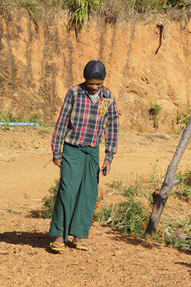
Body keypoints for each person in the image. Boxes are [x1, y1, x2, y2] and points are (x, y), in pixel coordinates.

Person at [49, 59, 119, 252]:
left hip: (93, 151)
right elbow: (62, 122)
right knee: (68, 190)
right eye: (91, 84)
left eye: (98, 84)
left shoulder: (108, 97)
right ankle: (58, 236)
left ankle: (79, 236)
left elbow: (112, 127)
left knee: (88, 193)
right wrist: (57, 151)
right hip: (73, 148)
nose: (94, 88)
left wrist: (109, 156)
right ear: (85, 80)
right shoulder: (74, 93)